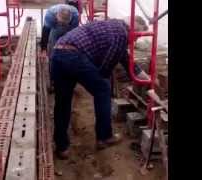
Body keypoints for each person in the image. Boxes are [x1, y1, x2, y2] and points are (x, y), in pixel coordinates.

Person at [50, 16, 150, 159]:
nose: (135, 40)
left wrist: (147, 78)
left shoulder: (114, 26)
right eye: (137, 36)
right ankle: (104, 137)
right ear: (132, 29)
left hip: (58, 52)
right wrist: (100, 77)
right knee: (103, 90)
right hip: (74, 56)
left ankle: (62, 147)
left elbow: (127, 61)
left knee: (62, 103)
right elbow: (105, 69)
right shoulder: (122, 34)